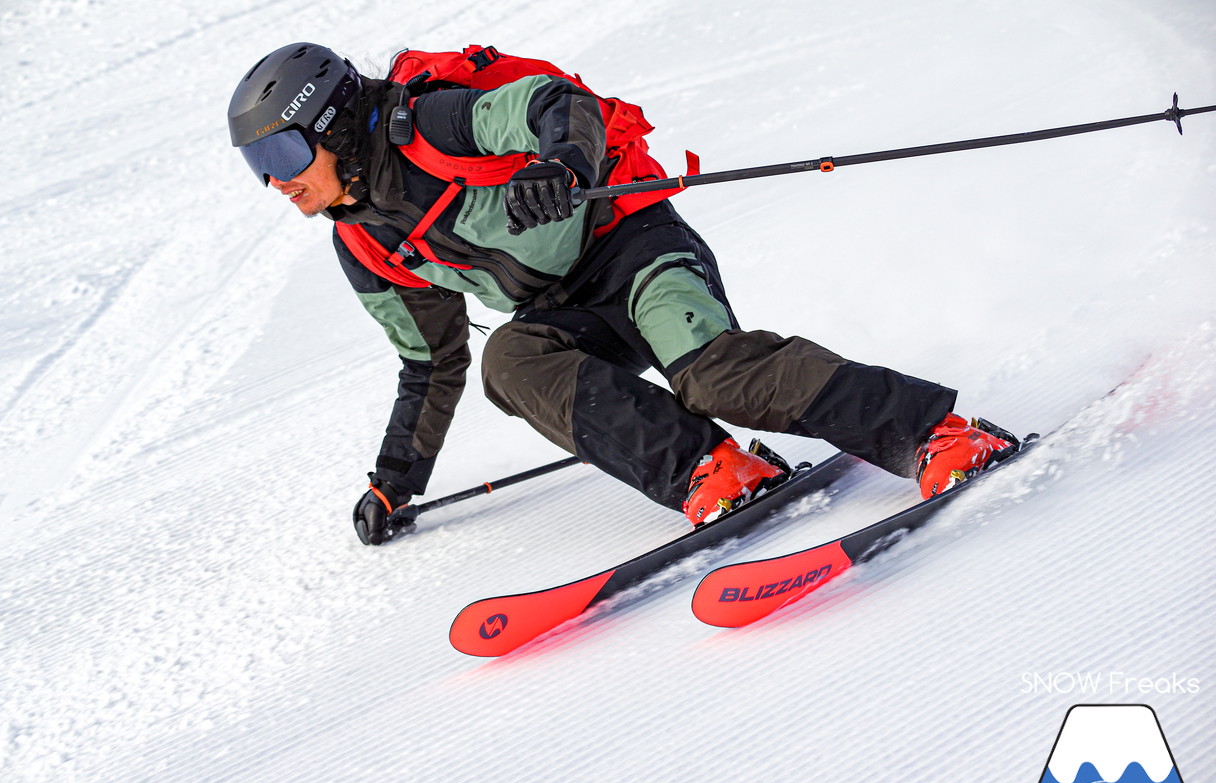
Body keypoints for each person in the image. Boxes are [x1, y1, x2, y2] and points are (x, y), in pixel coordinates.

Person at [227, 43, 1019, 545]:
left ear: (328, 128)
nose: (275, 179)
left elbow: (551, 104)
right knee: (512, 360)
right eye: (257, 163)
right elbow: (430, 364)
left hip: (635, 249)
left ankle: (936, 431)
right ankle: (712, 471)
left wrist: (563, 165)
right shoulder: (364, 242)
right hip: (567, 311)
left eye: (282, 150)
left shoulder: (433, 120)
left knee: (714, 376)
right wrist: (394, 479)